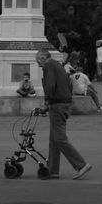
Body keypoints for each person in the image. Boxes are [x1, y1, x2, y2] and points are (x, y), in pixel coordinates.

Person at [35, 48, 92, 180]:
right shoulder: (57, 65)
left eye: (38, 61)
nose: (38, 64)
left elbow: (50, 86)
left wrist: (46, 103)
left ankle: (81, 164)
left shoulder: (48, 66)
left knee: (59, 138)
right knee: (54, 139)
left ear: (43, 58)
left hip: (58, 105)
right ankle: (53, 170)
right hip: (64, 103)